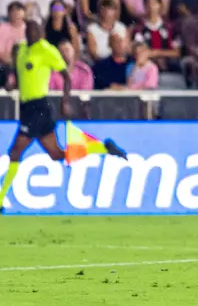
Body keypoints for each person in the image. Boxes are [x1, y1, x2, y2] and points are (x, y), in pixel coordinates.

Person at [0, 20, 127, 209]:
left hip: (38, 107)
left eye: (36, 31)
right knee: (56, 154)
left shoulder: (47, 50)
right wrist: (13, 84)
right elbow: (21, 74)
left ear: (41, 33)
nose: (32, 34)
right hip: (27, 107)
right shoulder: (21, 49)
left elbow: (66, 76)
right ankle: (103, 148)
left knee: (15, 152)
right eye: (30, 31)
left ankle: (1, 198)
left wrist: (65, 101)